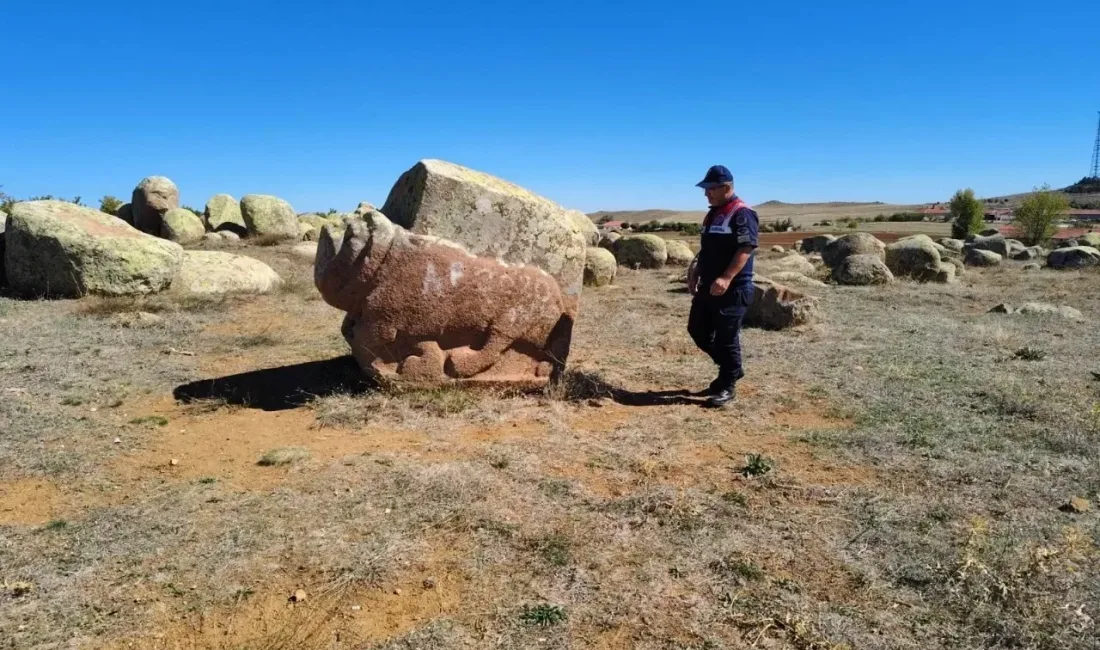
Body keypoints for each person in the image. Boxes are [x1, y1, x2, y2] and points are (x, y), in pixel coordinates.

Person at [686, 165, 758, 407]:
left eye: (710, 189)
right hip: (709, 286)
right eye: (705, 189)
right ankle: (732, 369)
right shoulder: (713, 214)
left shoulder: (742, 213)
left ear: (726, 187)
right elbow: (707, 249)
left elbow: (746, 248)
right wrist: (696, 272)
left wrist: (727, 277)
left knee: (727, 339)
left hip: (733, 288)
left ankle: (727, 384)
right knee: (697, 330)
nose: (706, 193)